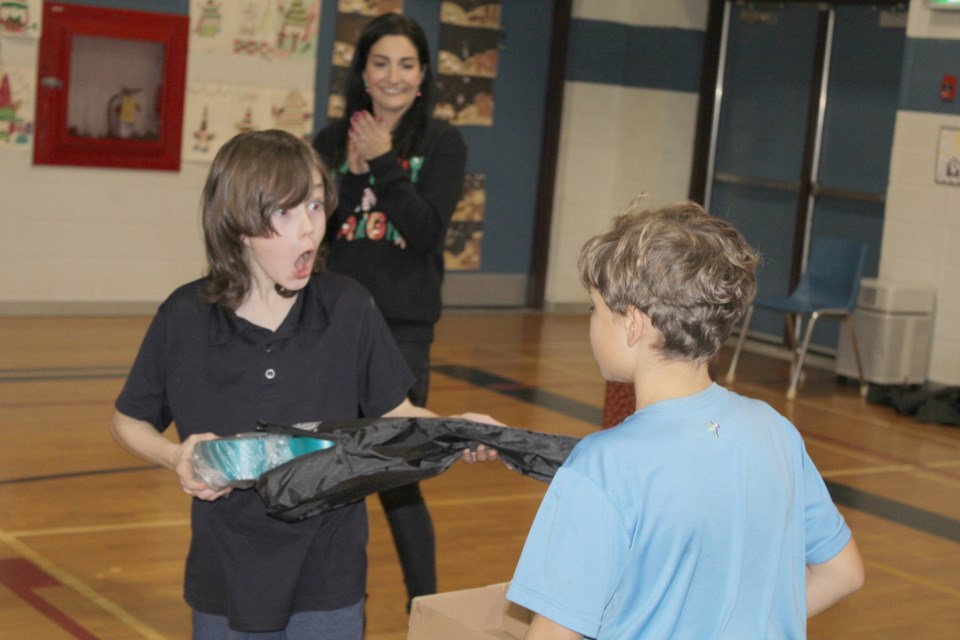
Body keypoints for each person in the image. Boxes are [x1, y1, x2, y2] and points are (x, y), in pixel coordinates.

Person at [109, 129, 495, 639]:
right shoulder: (185, 317)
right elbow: (127, 419)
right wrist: (173, 456)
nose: (308, 231)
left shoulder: (349, 307)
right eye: (285, 214)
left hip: (329, 575)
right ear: (238, 224)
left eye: (314, 206)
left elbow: (395, 413)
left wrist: (457, 428)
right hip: (226, 577)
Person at [506, 201, 865, 639]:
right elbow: (843, 572)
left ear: (633, 324)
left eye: (595, 310)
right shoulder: (775, 431)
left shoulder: (602, 465)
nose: (591, 323)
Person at [313, 13, 466, 609]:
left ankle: (422, 605)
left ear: (423, 75)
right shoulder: (328, 141)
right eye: (381, 63)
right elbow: (317, 238)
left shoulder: (442, 143)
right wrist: (350, 177)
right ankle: (324, 595)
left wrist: (382, 164)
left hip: (402, 331)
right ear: (363, 73)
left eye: (406, 64)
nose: (393, 76)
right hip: (327, 325)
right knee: (326, 467)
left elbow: (427, 233)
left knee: (397, 477)